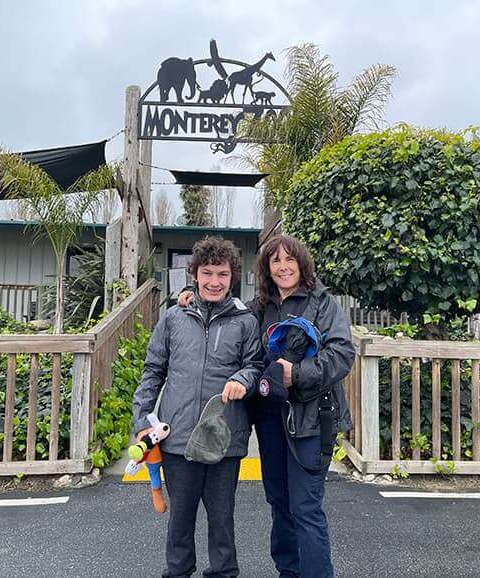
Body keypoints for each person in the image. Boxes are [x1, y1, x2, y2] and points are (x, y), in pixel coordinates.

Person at [179, 234, 354, 578]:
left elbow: (342, 354)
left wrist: (298, 374)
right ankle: (288, 572)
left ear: (301, 264)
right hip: (271, 418)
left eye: (290, 260)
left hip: (311, 419)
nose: (283, 266)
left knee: (305, 506)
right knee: (279, 502)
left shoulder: (323, 304)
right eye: (276, 261)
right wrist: (188, 299)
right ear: (267, 268)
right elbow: (225, 308)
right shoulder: (260, 306)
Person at [132, 236, 262, 578]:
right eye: (207, 273)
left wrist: (243, 379)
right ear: (195, 274)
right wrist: (142, 421)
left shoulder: (246, 321)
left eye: (222, 274)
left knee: (222, 524)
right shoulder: (174, 318)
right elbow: (153, 371)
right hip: (177, 441)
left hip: (224, 441)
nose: (215, 281)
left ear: (232, 276)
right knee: (179, 524)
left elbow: (255, 365)